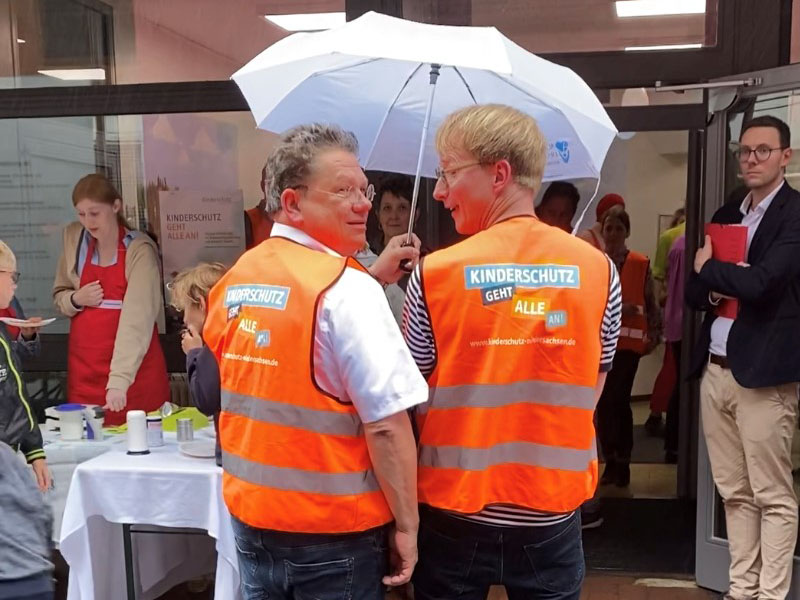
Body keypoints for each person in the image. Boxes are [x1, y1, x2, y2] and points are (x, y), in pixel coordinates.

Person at [402, 104, 621, 599]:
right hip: (552, 508)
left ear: (499, 173)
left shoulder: (435, 274)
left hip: (454, 512)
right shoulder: (598, 270)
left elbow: (410, 400)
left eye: (449, 173)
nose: (439, 191)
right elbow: (594, 385)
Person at [203, 123, 427, 599]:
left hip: (252, 522)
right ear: (291, 203)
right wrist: (407, 524)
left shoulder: (237, 279)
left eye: (364, 189)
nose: (363, 203)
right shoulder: (347, 290)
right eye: (343, 191)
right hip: (333, 533)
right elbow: (387, 427)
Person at [686, 115, 800, 600]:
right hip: (716, 369)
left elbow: (761, 283)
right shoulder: (731, 210)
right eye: (744, 152)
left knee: (772, 495)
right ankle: (741, 589)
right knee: (734, 493)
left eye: (762, 151)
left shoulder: (794, 214)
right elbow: (694, 290)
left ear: (785, 157)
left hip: (764, 375)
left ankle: (771, 597)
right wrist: (715, 282)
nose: (750, 160)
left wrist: (713, 271)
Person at [53, 174, 170, 426]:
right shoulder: (75, 242)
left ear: (116, 207)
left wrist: (119, 380)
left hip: (133, 377)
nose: (87, 222)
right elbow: (59, 295)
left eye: (94, 213)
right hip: (84, 375)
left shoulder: (139, 251)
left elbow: (137, 321)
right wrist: (75, 298)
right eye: (81, 214)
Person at [596, 209, 661, 487]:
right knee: (603, 404)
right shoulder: (595, 262)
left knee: (617, 400)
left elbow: (651, 303)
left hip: (629, 347)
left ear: (627, 232)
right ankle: (610, 460)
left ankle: (622, 462)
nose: (612, 234)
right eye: (608, 229)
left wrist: (655, 336)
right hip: (599, 344)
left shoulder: (640, 263)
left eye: (618, 229)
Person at [0, 240, 51, 493]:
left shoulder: (2, 325)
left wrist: (35, 451)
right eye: (12, 276)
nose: (15, 284)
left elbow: (15, 391)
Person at [168, 262, 227, 466]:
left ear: (201, 304)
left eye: (185, 309)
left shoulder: (216, 338)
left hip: (231, 453)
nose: (184, 318)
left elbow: (205, 400)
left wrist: (194, 354)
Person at [645, 206, 687, 436]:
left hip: (672, 314)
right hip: (684, 316)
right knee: (675, 372)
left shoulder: (670, 238)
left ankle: (657, 415)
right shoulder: (685, 239)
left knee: (671, 369)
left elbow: (658, 278)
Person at [662, 233, 685, 463]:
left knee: (678, 383)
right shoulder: (691, 244)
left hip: (675, 321)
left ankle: (672, 443)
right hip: (687, 324)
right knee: (683, 387)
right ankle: (676, 442)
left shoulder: (677, 242)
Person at [244, 163, 274, 249]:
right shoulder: (247, 221)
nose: (274, 187)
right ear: (262, 185)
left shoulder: (295, 220)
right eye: (269, 182)